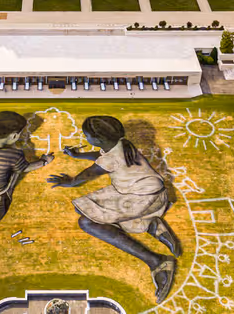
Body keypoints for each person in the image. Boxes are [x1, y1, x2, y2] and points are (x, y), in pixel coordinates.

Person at [48, 115, 179, 304]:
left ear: (99, 140)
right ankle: (149, 224)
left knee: (86, 221)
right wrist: (78, 155)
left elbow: (88, 173)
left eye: (87, 136)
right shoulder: (124, 144)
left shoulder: (112, 158)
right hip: (154, 194)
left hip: (139, 199)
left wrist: (69, 182)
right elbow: (102, 157)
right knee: (91, 210)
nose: (85, 139)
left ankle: (157, 261)